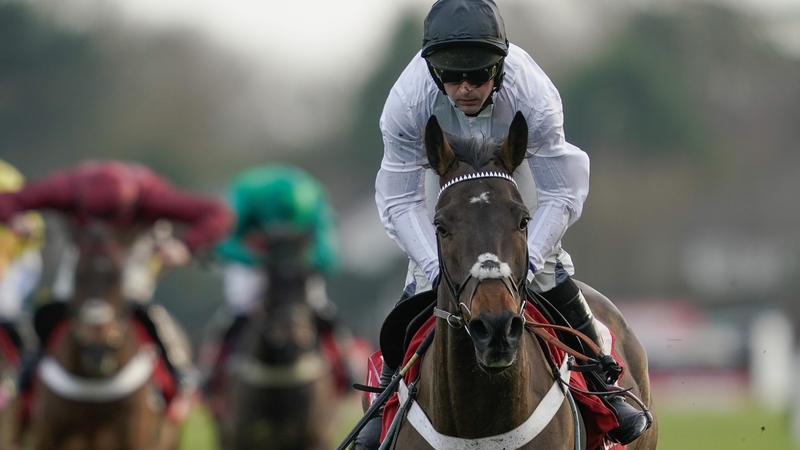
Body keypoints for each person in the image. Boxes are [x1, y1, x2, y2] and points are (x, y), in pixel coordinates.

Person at [357, 0, 651, 447]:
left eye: (479, 74)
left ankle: (604, 386)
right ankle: (386, 396)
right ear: (432, 70)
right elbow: (398, 201)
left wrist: (527, 263)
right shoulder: (406, 101)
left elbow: (563, 192)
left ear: (502, 62)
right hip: (445, 177)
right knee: (423, 281)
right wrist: (437, 268)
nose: (466, 88)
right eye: (452, 75)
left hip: (519, 170)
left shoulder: (533, 95)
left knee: (549, 267)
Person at [0, 160, 233, 390]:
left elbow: (218, 213)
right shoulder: (65, 188)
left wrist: (185, 246)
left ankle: (176, 368)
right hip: (84, 250)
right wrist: (13, 218)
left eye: (111, 216)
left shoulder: (152, 196)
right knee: (65, 300)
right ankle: (30, 366)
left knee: (133, 300)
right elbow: (8, 200)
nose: (104, 224)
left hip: (131, 248)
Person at [207, 164, 349, 396]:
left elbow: (329, 257)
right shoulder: (246, 194)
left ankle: (343, 368)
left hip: (295, 262)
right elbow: (222, 243)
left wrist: (299, 261)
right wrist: (257, 259)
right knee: (241, 305)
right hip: (254, 258)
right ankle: (213, 371)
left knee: (319, 305)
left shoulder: (314, 198)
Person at [0, 160, 44, 372]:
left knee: (2, 306)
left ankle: (28, 363)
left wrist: (25, 225)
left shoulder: (5, 177)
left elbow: (35, 227)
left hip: (17, 259)